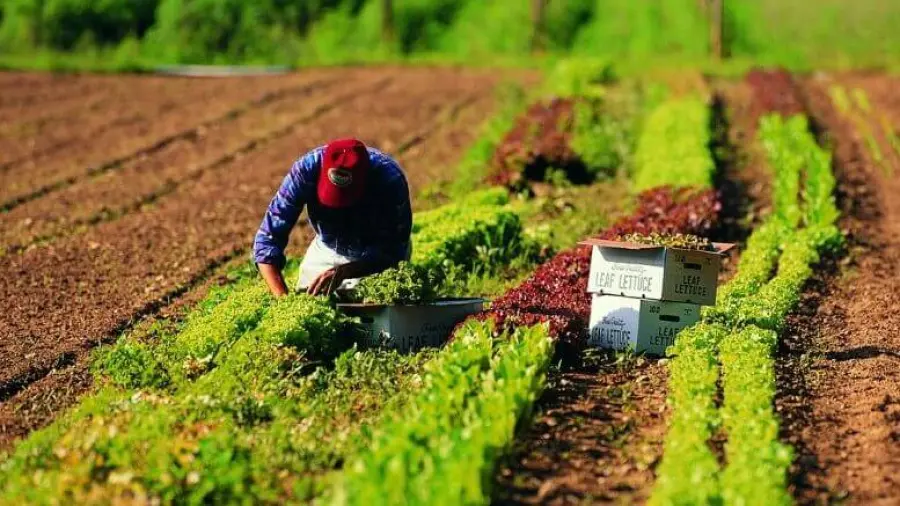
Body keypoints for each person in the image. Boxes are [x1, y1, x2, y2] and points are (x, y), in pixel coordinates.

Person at [253, 138, 412, 297]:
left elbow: (391, 249)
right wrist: (282, 298)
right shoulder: (307, 170)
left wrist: (348, 271)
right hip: (327, 248)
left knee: (374, 311)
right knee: (308, 297)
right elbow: (268, 238)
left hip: (375, 257)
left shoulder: (389, 180)